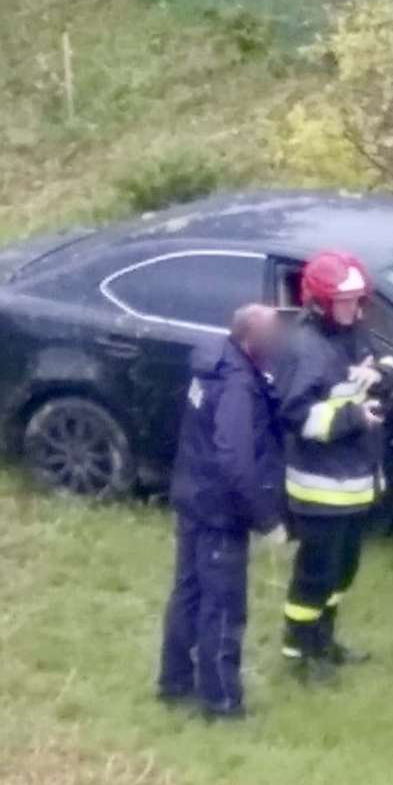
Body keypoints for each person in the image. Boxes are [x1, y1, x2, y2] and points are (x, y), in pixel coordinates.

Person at [158, 304, 286, 720]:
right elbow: (235, 457)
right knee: (224, 606)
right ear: (254, 341)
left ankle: (174, 682)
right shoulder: (237, 386)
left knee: (188, 594)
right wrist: (266, 518)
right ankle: (222, 702)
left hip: (192, 496)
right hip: (219, 511)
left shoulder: (212, 360)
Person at [276, 250, 391, 686]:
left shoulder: (352, 333)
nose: (354, 309)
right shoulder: (305, 348)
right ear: (320, 302)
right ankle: (299, 650)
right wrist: (354, 419)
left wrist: (380, 375)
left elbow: (381, 363)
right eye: (345, 301)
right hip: (321, 487)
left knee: (343, 570)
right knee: (316, 574)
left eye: (359, 300)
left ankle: (324, 640)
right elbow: (298, 416)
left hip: (355, 479)